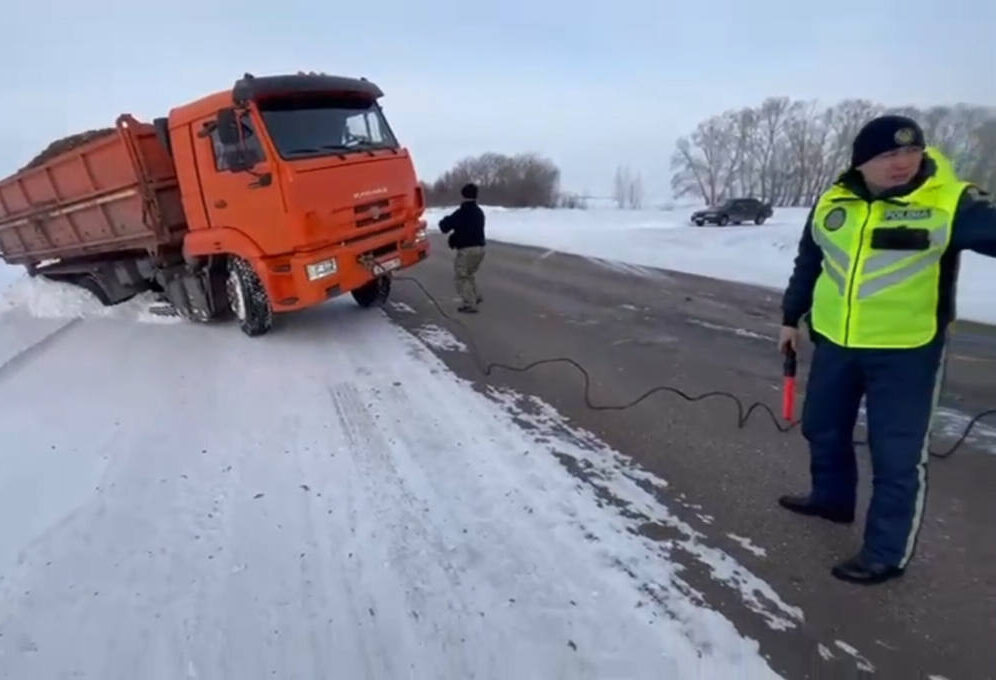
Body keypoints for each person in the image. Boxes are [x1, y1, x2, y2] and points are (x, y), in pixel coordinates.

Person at [779, 115, 996, 584]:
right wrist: (788, 318)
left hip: (906, 351)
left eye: (910, 152)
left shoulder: (950, 200)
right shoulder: (833, 201)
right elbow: (809, 262)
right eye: (888, 155)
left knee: (896, 454)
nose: (902, 163)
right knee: (822, 428)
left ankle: (885, 552)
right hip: (836, 341)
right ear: (862, 162)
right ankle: (832, 500)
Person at [439, 183, 486, 313]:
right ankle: (475, 296)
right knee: (469, 274)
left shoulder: (462, 212)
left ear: (463, 196)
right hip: (480, 249)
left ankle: (470, 304)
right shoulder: (479, 212)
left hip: (467, 250)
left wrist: (447, 223)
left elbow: (444, 226)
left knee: (461, 277)